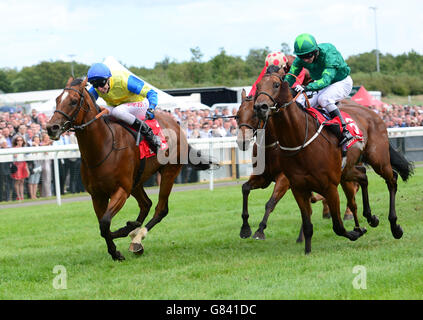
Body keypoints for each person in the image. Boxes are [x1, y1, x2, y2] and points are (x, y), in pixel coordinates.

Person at [285, 33, 354, 148]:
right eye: (302, 57)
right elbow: (290, 77)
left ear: (316, 51)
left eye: (308, 55)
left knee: (324, 99)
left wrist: (307, 87)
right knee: (300, 102)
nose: (306, 60)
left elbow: (326, 80)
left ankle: (344, 131)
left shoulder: (329, 52)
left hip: (341, 82)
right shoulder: (301, 59)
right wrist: (284, 89)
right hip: (321, 85)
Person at [87, 62, 162, 152]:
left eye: (101, 83)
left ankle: (148, 132)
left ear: (108, 79)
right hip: (118, 107)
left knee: (118, 111)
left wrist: (152, 107)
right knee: (100, 112)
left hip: (139, 104)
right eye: (95, 85)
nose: (99, 88)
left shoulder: (124, 80)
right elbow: (87, 104)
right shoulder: (97, 88)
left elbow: (152, 93)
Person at [10, 136, 29, 201]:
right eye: (18, 140)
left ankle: (22, 196)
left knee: (22, 181)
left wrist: (26, 167)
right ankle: (18, 196)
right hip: (17, 164)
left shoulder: (24, 148)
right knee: (17, 181)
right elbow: (14, 156)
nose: (19, 141)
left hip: (23, 164)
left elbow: (26, 157)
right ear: (16, 141)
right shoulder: (14, 148)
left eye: (21, 140)